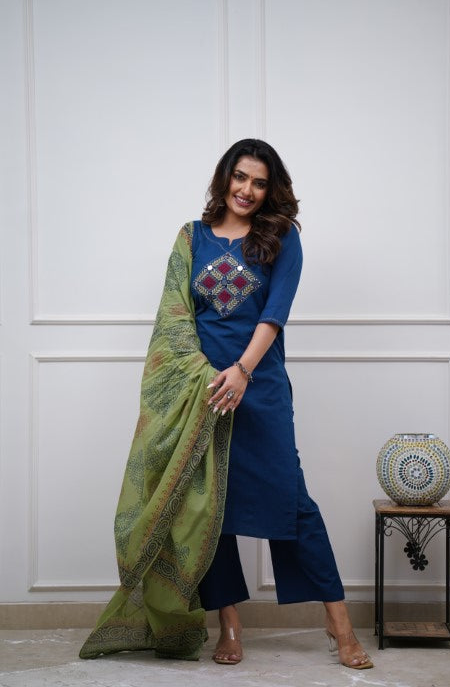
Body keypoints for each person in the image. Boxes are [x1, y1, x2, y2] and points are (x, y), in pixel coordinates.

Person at [79, 138, 373, 671]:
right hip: (202, 394)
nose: (247, 190)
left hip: (259, 389)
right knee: (209, 511)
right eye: (241, 177)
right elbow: (175, 317)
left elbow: (275, 313)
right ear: (224, 177)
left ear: (270, 189)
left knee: (295, 504)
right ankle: (229, 624)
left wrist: (242, 372)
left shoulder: (281, 237)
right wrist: (208, 378)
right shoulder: (191, 238)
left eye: (259, 182)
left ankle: (339, 624)